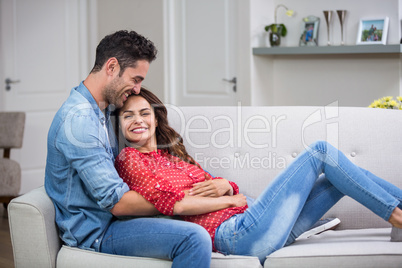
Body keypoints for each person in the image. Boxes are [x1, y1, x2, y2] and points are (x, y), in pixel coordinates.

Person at [114, 89, 402, 265]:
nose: (138, 120)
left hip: (262, 224)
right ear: (120, 124)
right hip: (238, 233)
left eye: (144, 113)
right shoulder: (130, 159)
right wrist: (230, 201)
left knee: (342, 177)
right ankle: (397, 216)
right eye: (128, 116)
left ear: (155, 117)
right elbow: (175, 205)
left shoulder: (174, 157)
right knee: (321, 151)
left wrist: (226, 185)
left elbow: (217, 187)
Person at [44, 30, 213, 268]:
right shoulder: (79, 122)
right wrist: (185, 197)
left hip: (115, 221)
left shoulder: (103, 110)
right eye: (136, 79)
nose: (136, 89)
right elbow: (119, 203)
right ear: (111, 67)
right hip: (99, 232)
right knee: (194, 238)